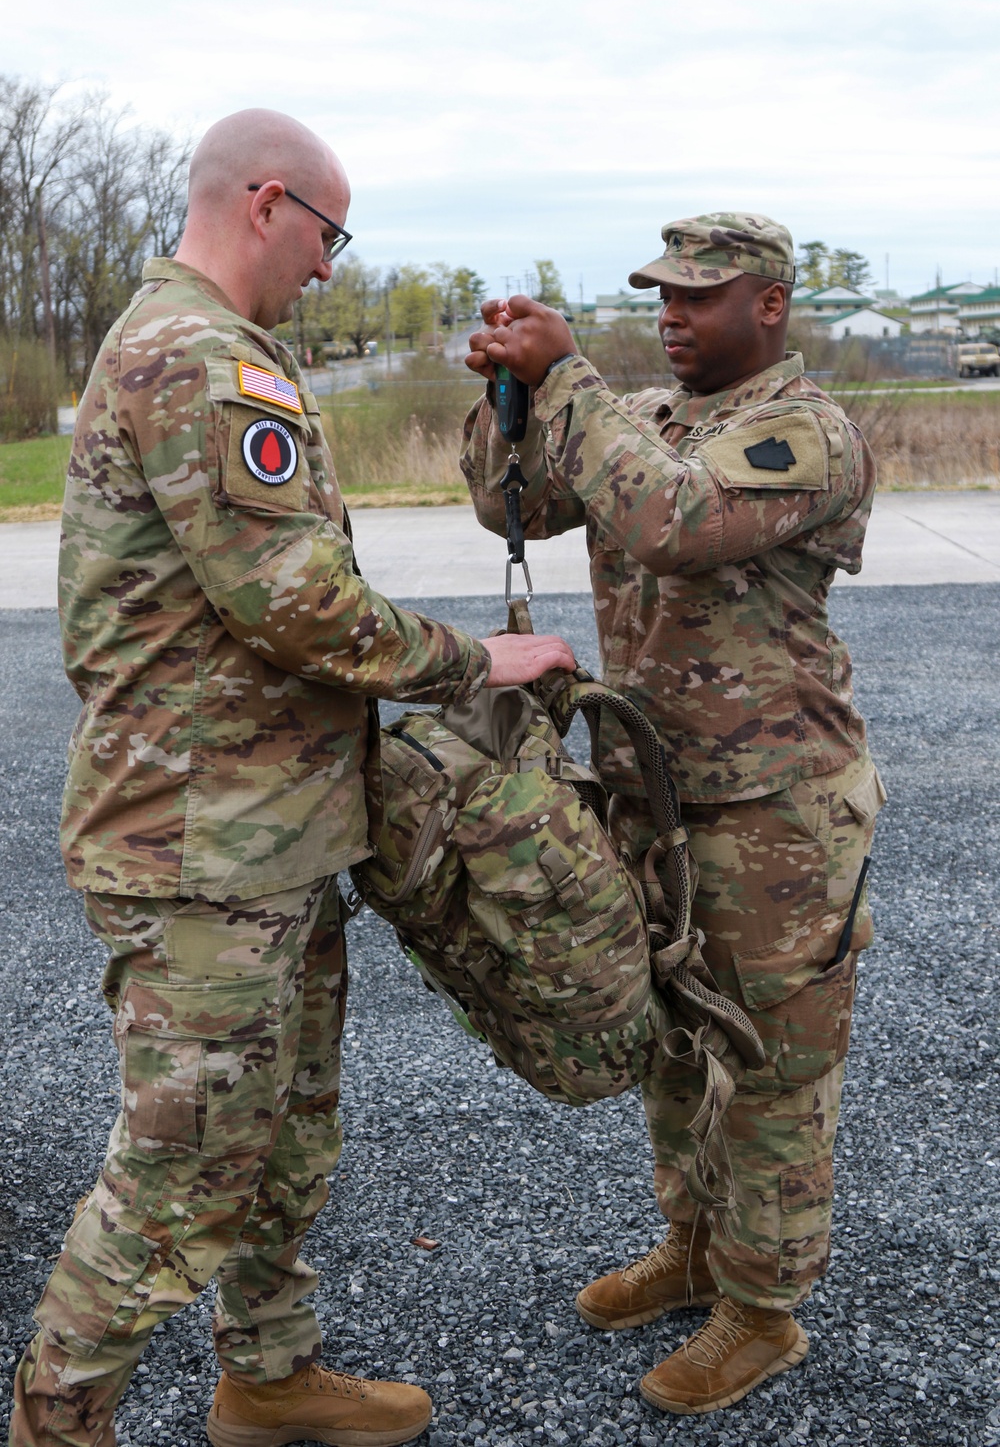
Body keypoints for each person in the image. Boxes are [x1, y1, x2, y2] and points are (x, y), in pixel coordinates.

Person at [11, 108, 575, 1447]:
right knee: (179, 1172)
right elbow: (298, 607)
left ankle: (267, 1378)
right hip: (200, 850)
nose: (329, 265)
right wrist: (478, 664)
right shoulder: (200, 359)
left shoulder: (223, 347)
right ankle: (55, 1426)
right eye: (329, 235)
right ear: (267, 203)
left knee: (284, 1134)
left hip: (272, 837)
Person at [462, 213, 886, 1416]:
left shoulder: (804, 432)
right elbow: (506, 506)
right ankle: (693, 1246)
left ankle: (762, 1309)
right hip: (651, 792)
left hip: (775, 811)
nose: (671, 316)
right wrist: (508, 396)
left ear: (770, 305)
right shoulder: (646, 417)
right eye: (661, 295)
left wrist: (568, 375)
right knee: (672, 1042)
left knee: (772, 1063)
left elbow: (673, 523)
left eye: (698, 296)